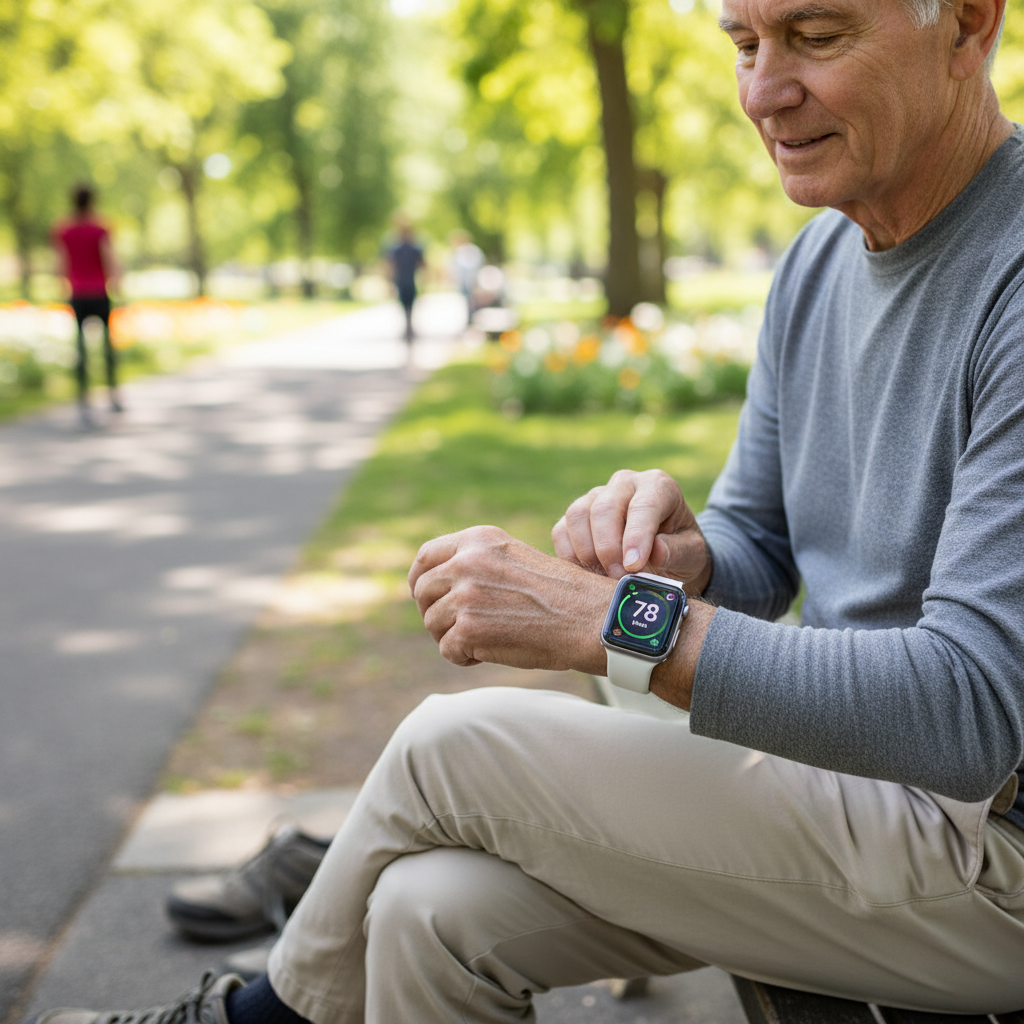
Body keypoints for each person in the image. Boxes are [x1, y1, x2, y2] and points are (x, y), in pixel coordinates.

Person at [29, 0, 1024, 1022]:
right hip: (846, 784)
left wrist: (607, 620)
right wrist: (683, 557)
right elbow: (761, 545)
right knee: (426, 911)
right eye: (742, 44)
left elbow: (969, 713)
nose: (764, 90)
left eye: (815, 38)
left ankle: (255, 1020)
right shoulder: (813, 267)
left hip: (988, 850)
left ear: (967, 24)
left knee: (451, 745)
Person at [52, 184, 121, 428]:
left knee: (80, 347)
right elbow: (110, 258)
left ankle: (83, 399)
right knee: (107, 346)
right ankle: (113, 395)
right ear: (92, 201)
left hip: (78, 293)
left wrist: (64, 288)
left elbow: (60, 262)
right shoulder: (101, 227)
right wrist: (117, 285)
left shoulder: (64, 229)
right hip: (100, 292)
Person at [388, 221, 424, 348]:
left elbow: (422, 265)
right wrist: (390, 283)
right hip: (401, 281)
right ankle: (408, 327)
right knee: (404, 305)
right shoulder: (396, 249)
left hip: (410, 281)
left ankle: (409, 327)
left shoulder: (415, 248)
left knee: (410, 305)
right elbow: (391, 266)